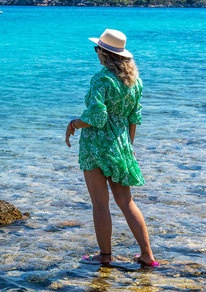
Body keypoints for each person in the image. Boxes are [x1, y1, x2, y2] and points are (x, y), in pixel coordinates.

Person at [65, 29, 158, 267]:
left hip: (96, 146)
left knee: (100, 203)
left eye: (97, 49)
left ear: (104, 53)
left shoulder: (102, 79)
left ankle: (105, 257)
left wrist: (74, 123)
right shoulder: (135, 82)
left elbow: (97, 117)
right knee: (127, 203)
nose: (96, 53)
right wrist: (128, 147)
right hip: (121, 144)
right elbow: (134, 117)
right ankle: (147, 255)